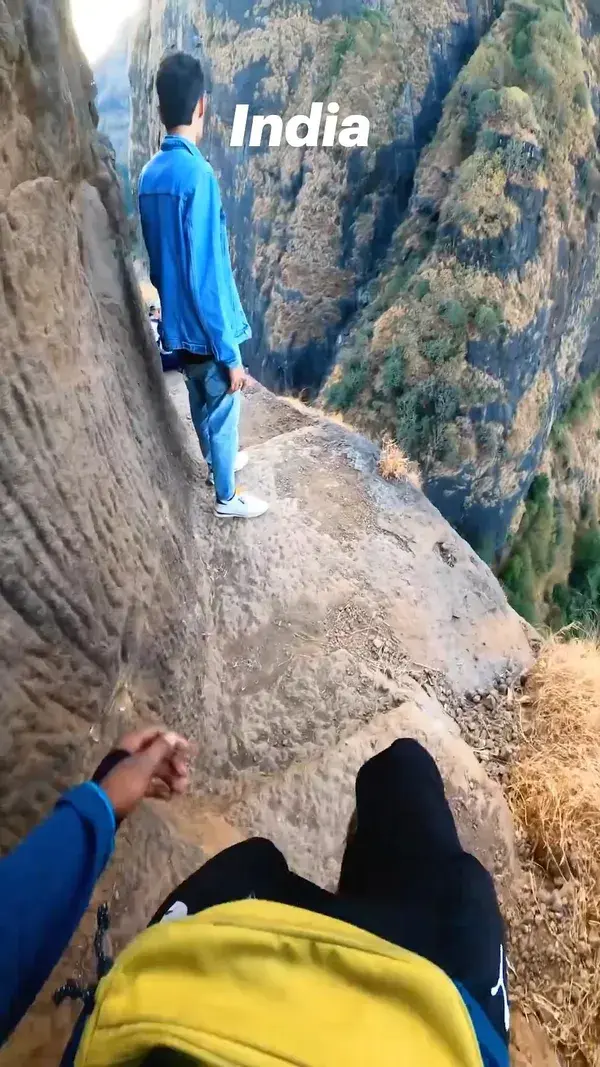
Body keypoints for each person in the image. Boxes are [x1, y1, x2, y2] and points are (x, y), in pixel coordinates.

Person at [0, 736, 509, 1067]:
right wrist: (101, 806)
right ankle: (347, 913)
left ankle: (342, 915)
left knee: (261, 862)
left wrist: (102, 803)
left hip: (207, 1014)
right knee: (421, 803)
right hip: (428, 1028)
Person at [138, 52, 268, 520]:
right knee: (225, 403)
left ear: (160, 108)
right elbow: (208, 275)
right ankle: (227, 496)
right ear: (201, 107)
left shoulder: (149, 176)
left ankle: (217, 464)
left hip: (176, 328)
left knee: (199, 401)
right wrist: (230, 353)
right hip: (205, 329)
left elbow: (159, 264)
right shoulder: (200, 177)